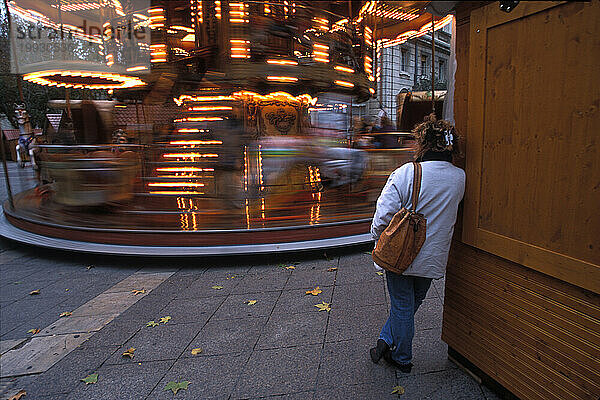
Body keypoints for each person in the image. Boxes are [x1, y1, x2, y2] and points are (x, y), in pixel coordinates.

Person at [369, 113, 465, 372]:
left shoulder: (405, 173)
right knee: (413, 303)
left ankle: (401, 358)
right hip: (434, 255)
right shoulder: (460, 177)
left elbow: (382, 218)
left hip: (400, 255)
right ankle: (386, 339)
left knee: (402, 305)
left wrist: (377, 237)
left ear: (421, 142)